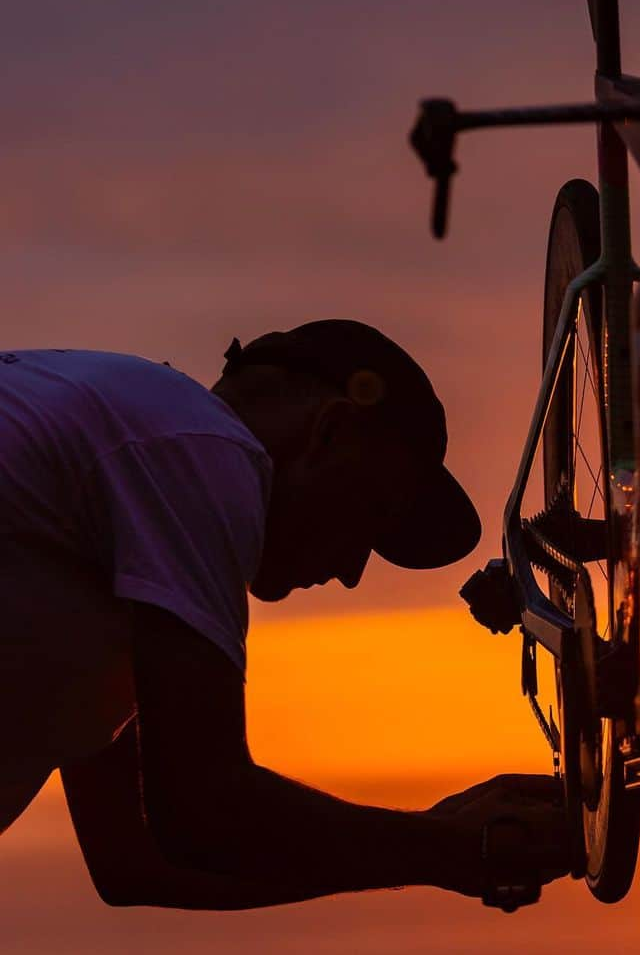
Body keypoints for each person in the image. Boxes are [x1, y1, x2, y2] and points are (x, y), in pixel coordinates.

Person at [0, 319, 569, 908]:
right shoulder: (198, 451)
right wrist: (451, 846)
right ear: (330, 432)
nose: (352, 571)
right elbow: (202, 813)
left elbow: (136, 860)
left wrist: (436, 841)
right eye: (372, 513)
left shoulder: (131, 468)